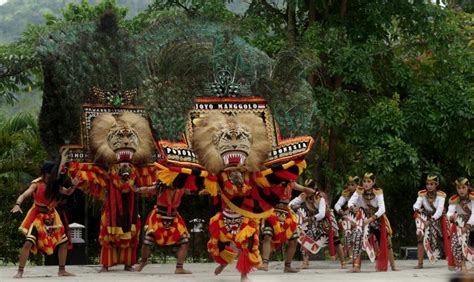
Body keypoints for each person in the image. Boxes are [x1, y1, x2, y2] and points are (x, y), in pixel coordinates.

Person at [11, 161, 75, 278]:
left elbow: (67, 192)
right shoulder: (36, 184)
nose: (53, 176)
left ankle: (62, 270)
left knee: (64, 242)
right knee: (28, 242)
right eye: (51, 173)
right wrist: (17, 204)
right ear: (45, 173)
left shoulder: (55, 185)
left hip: (51, 217)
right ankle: (20, 271)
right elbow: (24, 194)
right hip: (37, 217)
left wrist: (74, 185)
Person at [134, 182, 192, 274]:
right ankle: (143, 262)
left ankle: (179, 268)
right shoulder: (160, 188)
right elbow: (146, 189)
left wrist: (209, 188)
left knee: (185, 242)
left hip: (174, 219)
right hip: (158, 218)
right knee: (147, 242)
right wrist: (137, 189)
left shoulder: (181, 188)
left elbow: (193, 191)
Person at [258, 181, 315, 273]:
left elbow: (304, 189)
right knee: (267, 236)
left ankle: (287, 266)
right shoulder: (272, 180)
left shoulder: (291, 183)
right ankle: (265, 263)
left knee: (294, 240)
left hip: (286, 213)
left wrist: (314, 192)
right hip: (272, 211)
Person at [347, 172, 399, 272]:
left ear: (373, 182)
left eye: (369, 181)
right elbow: (350, 202)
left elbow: (382, 209)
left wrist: (370, 220)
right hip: (364, 218)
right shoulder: (359, 190)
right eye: (364, 181)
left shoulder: (378, 191)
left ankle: (393, 265)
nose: (366, 183)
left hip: (378, 219)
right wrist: (353, 208)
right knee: (358, 238)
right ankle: (356, 266)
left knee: (387, 241)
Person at [289, 180, 345, 269]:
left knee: (336, 240)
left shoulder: (320, 197)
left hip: (326, 219)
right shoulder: (304, 195)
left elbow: (322, 214)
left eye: (309, 189)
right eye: (306, 189)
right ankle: (305, 263)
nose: (307, 191)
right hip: (313, 220)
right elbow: (290, 204)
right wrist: (294, 206)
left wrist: (311, 219)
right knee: (305, 238)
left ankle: (343, 263)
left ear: (314, 189)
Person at [412, 175, 453, 269]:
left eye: (431, 184)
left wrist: (430, 221)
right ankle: (420, 263)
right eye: (427, 184)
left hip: (438, 218)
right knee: (420, 236)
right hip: (426, 217)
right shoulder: (422, 194)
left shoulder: (441, 195)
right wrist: (418, 209)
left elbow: (439, 211)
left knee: (447, 237)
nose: (429, 186)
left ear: (436, 185)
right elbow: (416, 205)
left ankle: (451, 260)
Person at [447, 177, 474, 272]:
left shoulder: (473, 197)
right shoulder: (454, 199)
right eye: (459, 188)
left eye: (463, 187)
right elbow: (449, 213)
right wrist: (451, 217)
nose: (461, 190)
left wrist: (468, 226)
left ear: (468, 187)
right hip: (460, 224)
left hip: (471, 222)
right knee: (456, 244)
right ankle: (461, 264)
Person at [334, 176, 360, 259]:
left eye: (352, 185)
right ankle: (350, 255)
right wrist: (341, 211)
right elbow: (337, 205)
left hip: (362, 216)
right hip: (350, 217)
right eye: (349, 185)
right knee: (345, 224)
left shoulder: (362, 192)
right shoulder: (346, 193)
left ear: (357, 185)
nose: (350, 187)